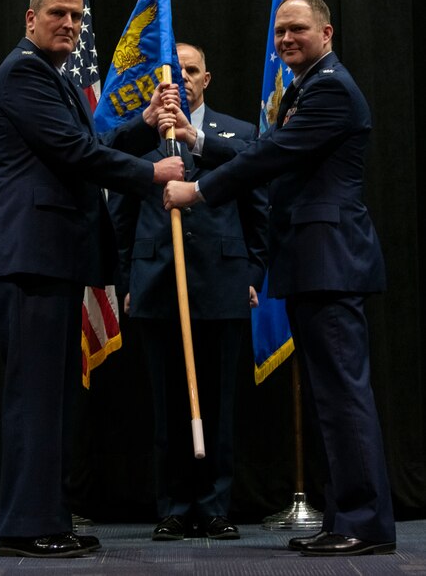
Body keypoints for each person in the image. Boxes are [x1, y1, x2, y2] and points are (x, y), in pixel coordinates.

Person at [162, 0, 396, 557]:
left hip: (330, 258)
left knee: (343, 397)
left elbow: (272, 156)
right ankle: (347, 515)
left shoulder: (331, 88)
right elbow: (265, 148)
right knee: (330, 399)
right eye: (280, 30)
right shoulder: (308, 86)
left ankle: (364, 522)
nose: (286, 38)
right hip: (313, 260)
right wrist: (198, 141)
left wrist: (197, 188)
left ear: (327, 32)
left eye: (298, 29)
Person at [0, 0, 184, 558]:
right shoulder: (22, 73)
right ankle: (24, 526)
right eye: (59, 14)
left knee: (52, 397)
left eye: (77, 17)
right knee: (35, 397)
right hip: (28, 256)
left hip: (49, 257)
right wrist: (151, 176)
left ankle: (46, 517)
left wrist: (140, 126)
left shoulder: (51, 77)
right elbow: (75, 153)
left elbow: (91, 140)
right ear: (29, 18)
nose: (69, 24)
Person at [108, 43, 269, 541]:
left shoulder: (237, 133)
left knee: (219, 404)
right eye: (173, 72)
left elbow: (258, 204)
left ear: (207, 78)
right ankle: (174, 507)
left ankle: (216, 506)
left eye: (192, 71)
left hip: (222, 282)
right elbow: (122, 217)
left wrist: (253, 274)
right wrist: (127, 280)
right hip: (157, 281)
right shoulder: (142, 138)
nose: (182, 78)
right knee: (167, 405)